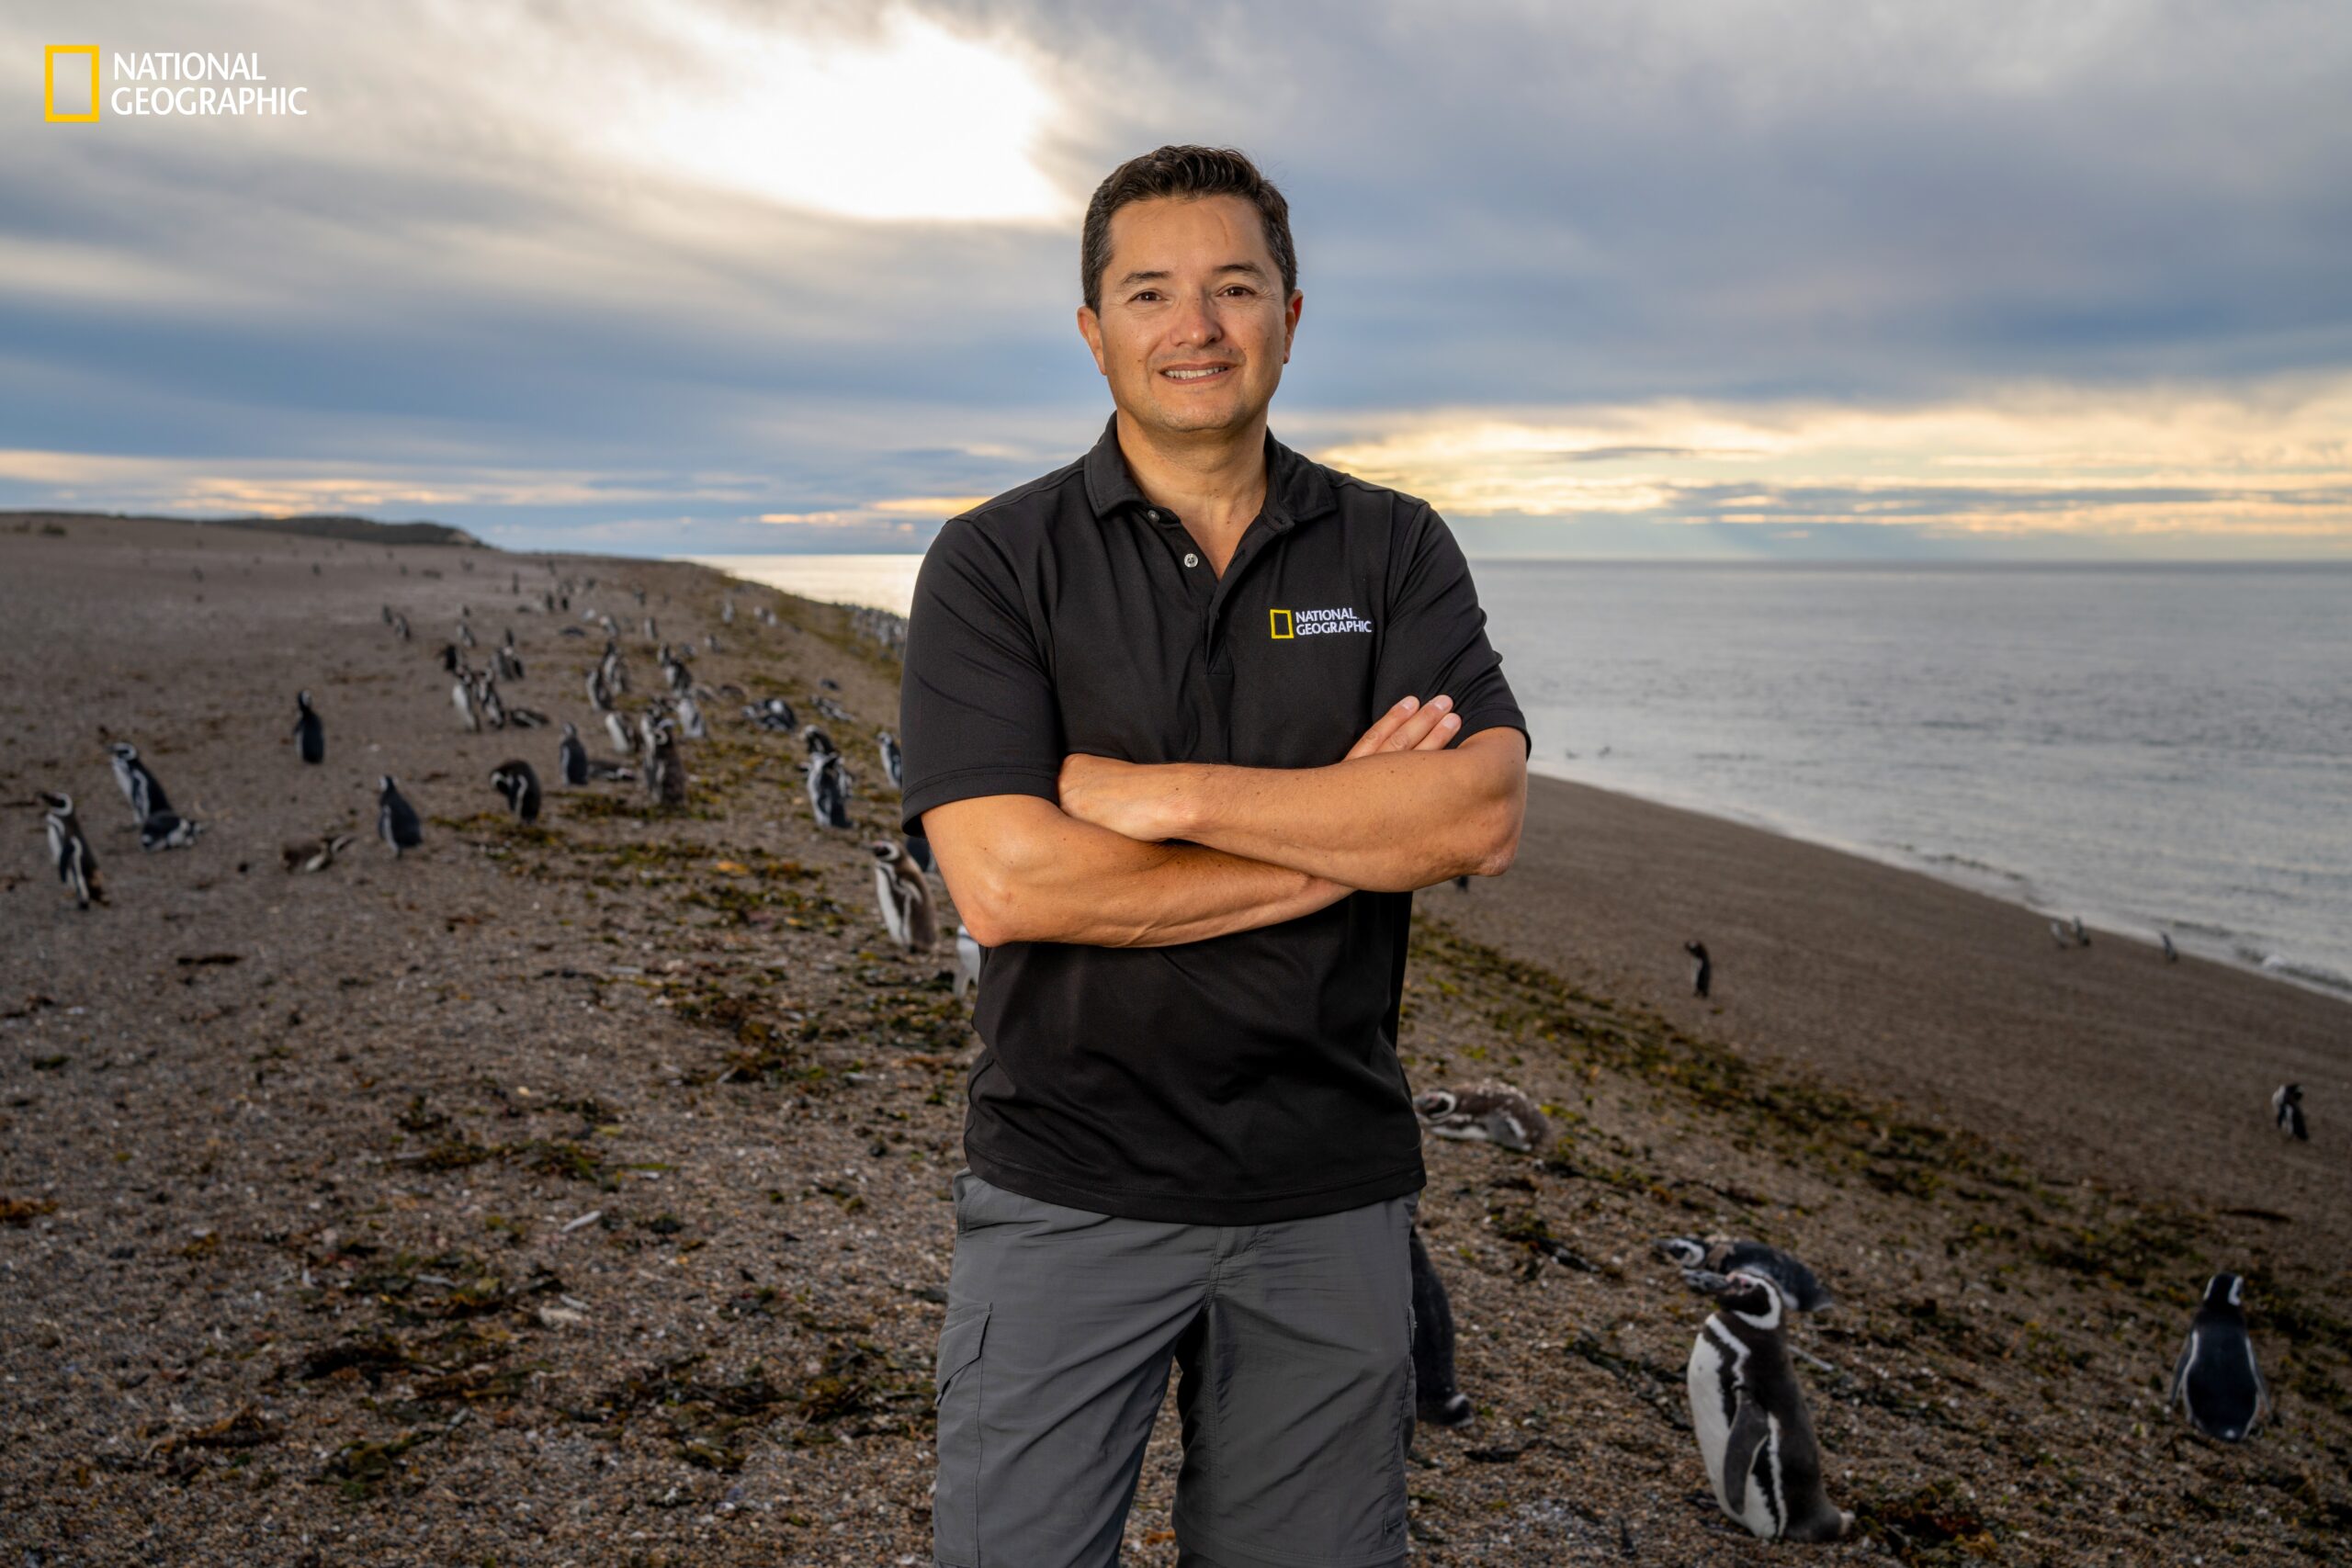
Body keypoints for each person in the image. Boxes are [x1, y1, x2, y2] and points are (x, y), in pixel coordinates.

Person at [900, 143, 1530, 1568]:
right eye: (1152, 293)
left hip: (1327, 1189)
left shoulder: (1391, 549)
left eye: (1235, 287)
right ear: (1094, 331)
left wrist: (1161, 795)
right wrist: (1343, 843)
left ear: (1292, 317)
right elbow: (1009, 884)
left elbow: (1478, 815)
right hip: (1069, 1185)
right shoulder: (995, 564)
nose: (1198, 327)